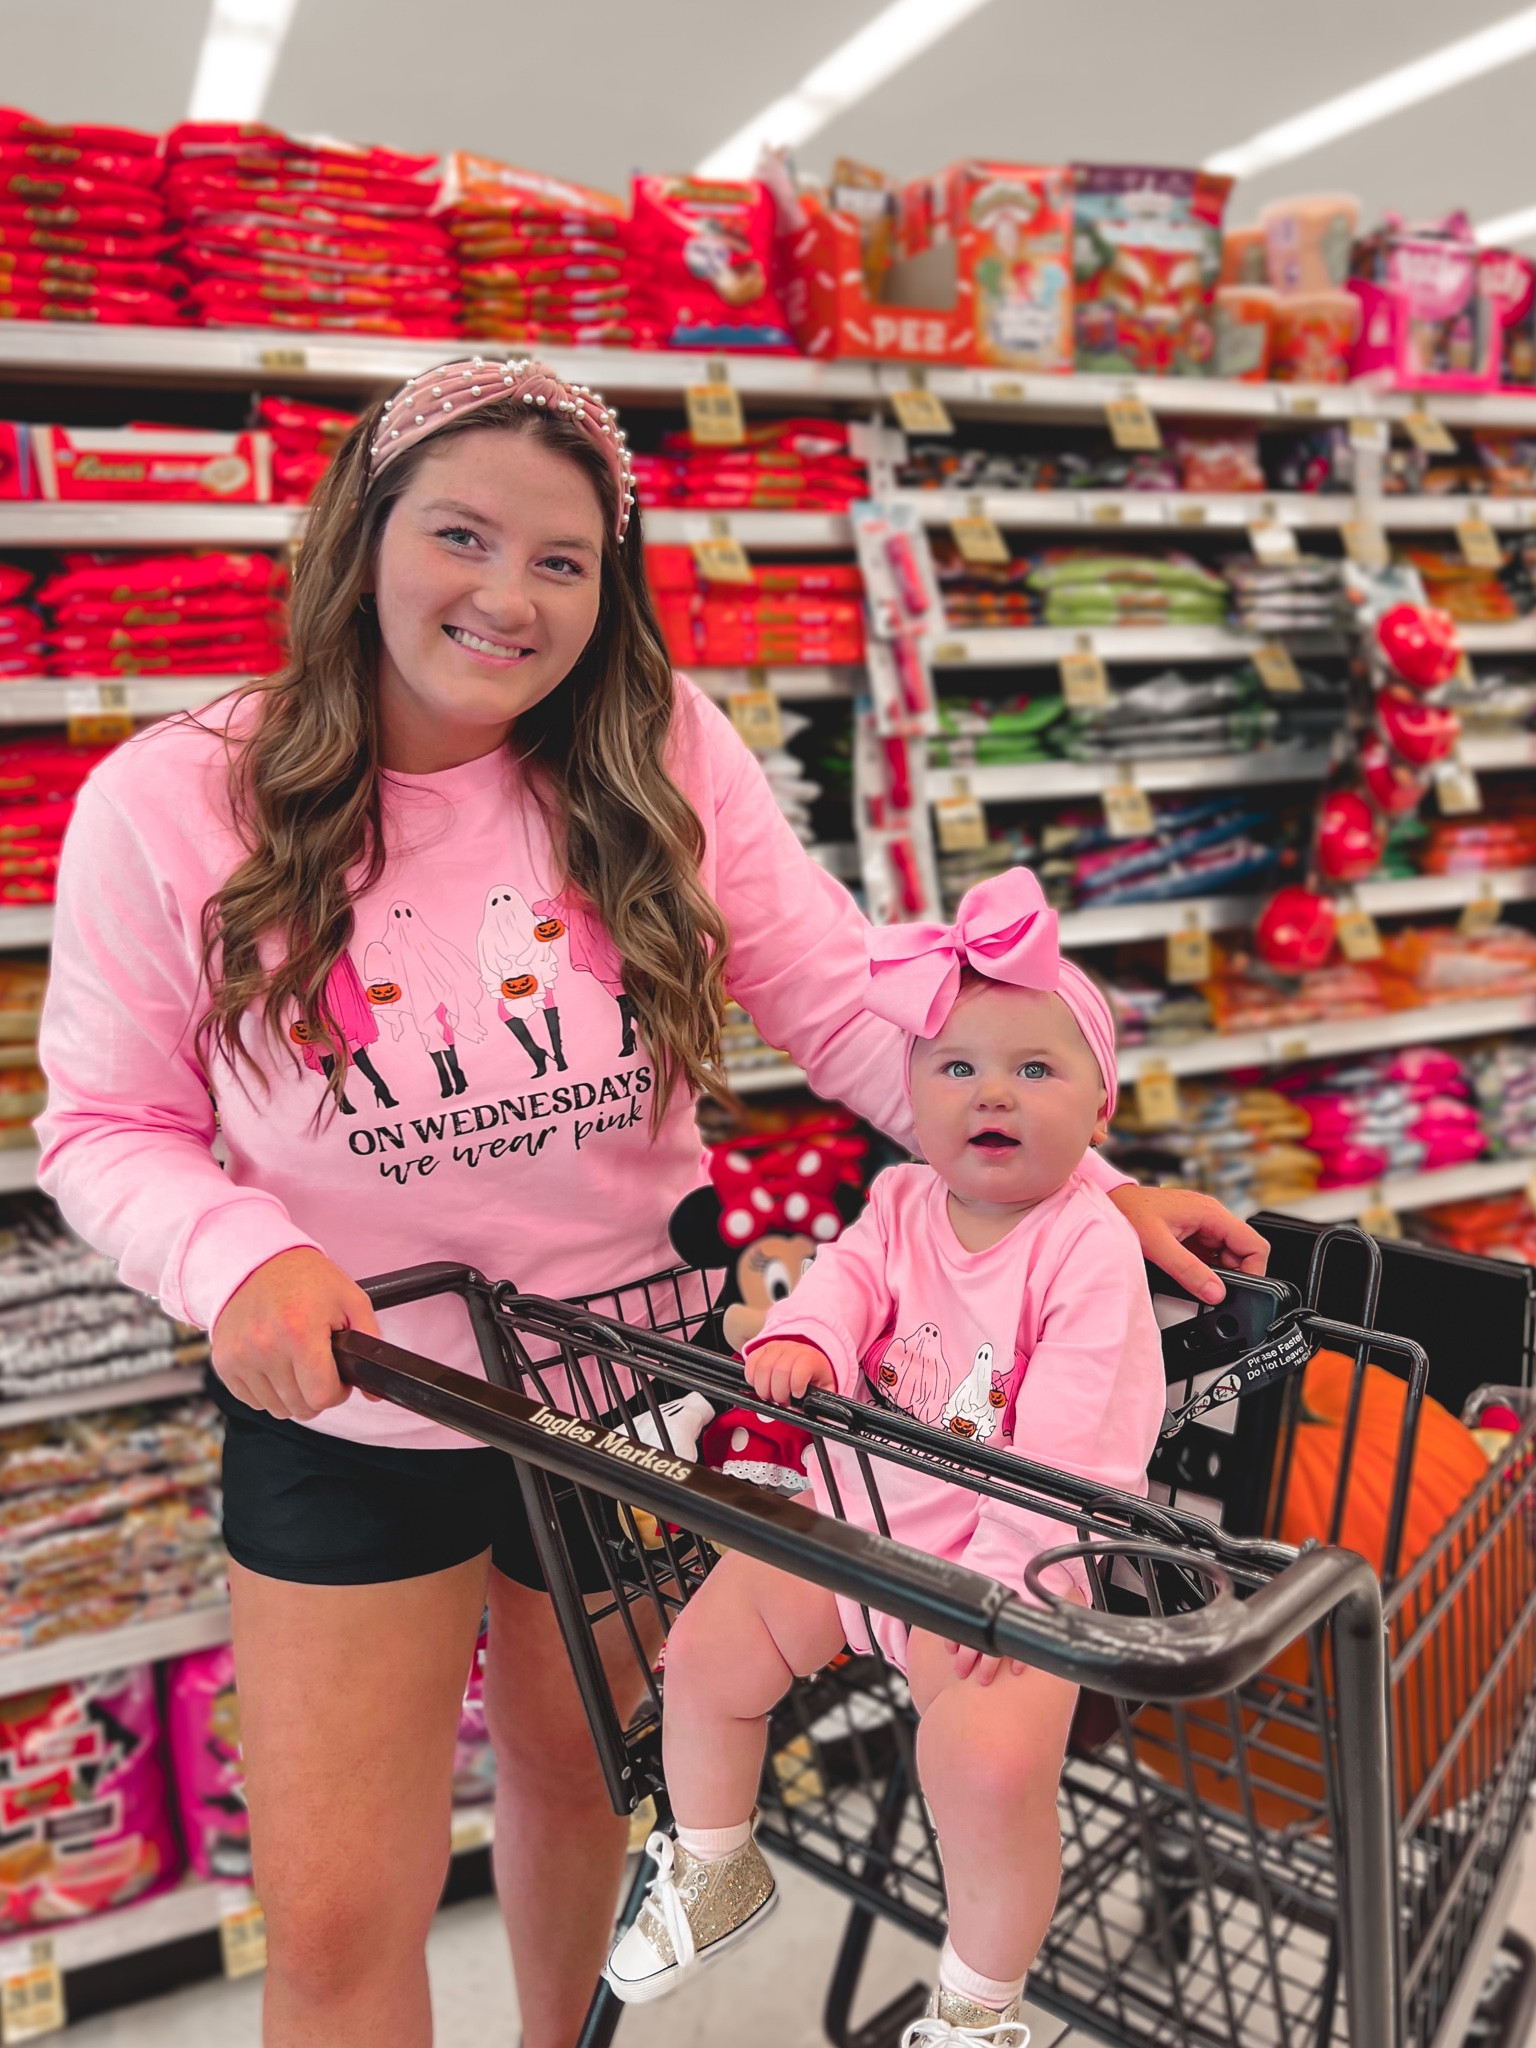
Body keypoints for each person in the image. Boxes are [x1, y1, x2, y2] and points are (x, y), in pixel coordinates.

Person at [35, 356, 1267, 2048]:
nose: (509, 597)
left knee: (587, 1788)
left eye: (563, 560)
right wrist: (237, 1256)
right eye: (461, 535)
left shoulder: (655, 746)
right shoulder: (174, 800)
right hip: (353, 1405)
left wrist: (1087, 1190)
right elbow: (106, 1123)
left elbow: (840, 998)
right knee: (333, 1908)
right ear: (361, 534)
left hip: (631, 1388)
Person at [606, 870, 1164, 2044]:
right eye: (956, 1067)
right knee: (703, 1651)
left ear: (1101, 1110)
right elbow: (846, 1278)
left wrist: (1005, 1596)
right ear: (910, 1092)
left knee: (985, 1767)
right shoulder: (903, 1198)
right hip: (856, 1528)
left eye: (1035, 1069)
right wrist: (808, 1334)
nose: (991, 1092)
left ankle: (979, 2001)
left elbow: (1077, 1451)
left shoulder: (1088, 1248)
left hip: (1009, 1571)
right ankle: (712, 1855)